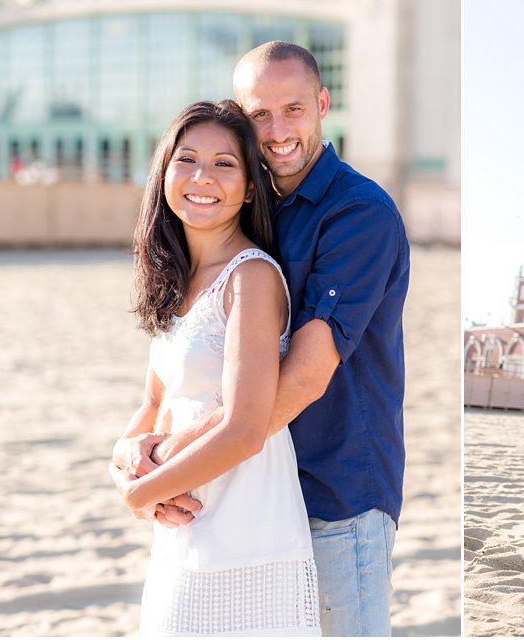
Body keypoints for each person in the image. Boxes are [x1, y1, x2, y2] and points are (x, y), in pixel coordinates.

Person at [112, 42, 410, 635]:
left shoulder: (358, 213)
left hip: (335, 497)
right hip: (240, 496)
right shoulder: (256, 214)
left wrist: (163, 469)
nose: (277, 131)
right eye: (259, 114)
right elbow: (168, 391)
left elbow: (302, 377)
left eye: (294, 109)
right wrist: (130, 458)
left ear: (323, 104)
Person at [109, 100, 319, 635]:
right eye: (188, 159)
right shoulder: (176, 282)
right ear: (165, 174)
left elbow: (246, 428)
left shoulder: (251, 278)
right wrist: (124, 462)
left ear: (250, 188)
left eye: (225, 163)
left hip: (244, 531)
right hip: (181, 532)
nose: (203, 176)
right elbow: (156, 404)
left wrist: (143, 492)